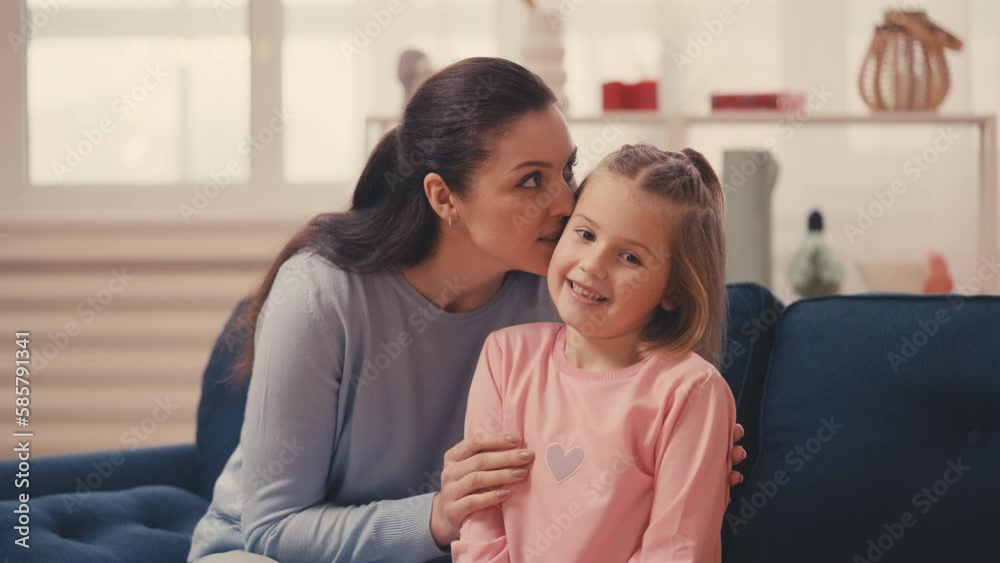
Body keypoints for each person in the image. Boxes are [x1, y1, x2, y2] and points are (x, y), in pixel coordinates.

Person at [187, 57, 746, 563]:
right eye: (532, 181)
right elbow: (273, 526)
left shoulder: (560, 292)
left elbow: (628, 404)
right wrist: (437, 515)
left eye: (567, 172)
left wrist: (684, 451)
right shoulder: (319, 295)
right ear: (444, 198)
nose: (565, 201)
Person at [452, 144, 734, 563]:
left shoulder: (690, 391)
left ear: (674, 290)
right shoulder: (505, 359)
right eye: (585, 234)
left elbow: (676, 551)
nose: (593, 265)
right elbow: (481, 525)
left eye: (630, 257)